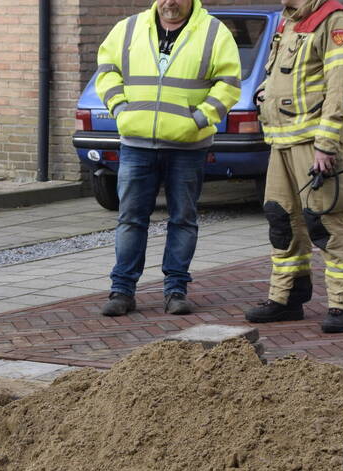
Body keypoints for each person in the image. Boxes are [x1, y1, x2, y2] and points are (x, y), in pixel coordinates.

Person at [96, 0, 241, 317]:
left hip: (188, 146)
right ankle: (122, 291)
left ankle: (176, 291)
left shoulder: (213, 32)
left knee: (183, 220)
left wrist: (200, 120)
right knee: (131, 219)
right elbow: (107, 73)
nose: (170, 2)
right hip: (136, 143)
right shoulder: (128, 29)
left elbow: (229, 83)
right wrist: (122, 111)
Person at [244, 0, 343, 333]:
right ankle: (287, 298)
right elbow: (277, 72)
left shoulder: (335, 21)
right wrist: (263, 94)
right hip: (280, 140)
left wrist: (326, 144)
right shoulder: (289, 20)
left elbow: (340, 88)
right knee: (281, 219)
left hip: (315, 145)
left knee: (325, 223)